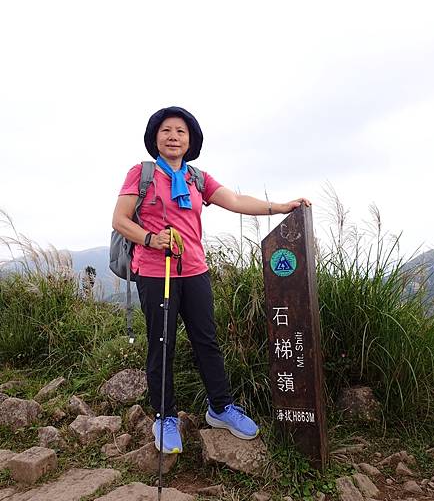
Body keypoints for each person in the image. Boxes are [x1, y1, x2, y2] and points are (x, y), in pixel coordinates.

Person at [112, 106, 311, 454]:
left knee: (207, 341)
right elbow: (120, 219)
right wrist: (150, 238)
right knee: (162, 342)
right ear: (155, 138)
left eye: (181, 132)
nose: (173, 137)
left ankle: (220, 407)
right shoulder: (141, 174)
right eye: (166, 131)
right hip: (157, 273)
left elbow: (234, 200)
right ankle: (165, 416)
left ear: (191, 140)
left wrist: (279, 207)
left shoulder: (197, 179)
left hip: (195, 271)